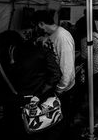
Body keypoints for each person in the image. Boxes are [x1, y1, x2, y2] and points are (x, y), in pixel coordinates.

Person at [0, 30, 62, 140]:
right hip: (41, 106)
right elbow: (56, 74)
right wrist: (40, 94)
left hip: (14, 111)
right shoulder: (41, 51)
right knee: (43, 133)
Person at [33, 10, 76, 138]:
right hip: (57, 88)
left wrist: (59, 90)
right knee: (55, 122)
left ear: (41, 24)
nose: (35, 29)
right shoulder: (52, 35)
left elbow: (67, 68)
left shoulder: (62, 37)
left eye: (36, 26)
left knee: (60, 124)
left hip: (63, 89)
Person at [76, 18, 98, 117]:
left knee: (94, 88)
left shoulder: (84, 39)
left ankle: (96, 108)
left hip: (97, 66)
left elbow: (84, 56)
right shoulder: (95, 34)